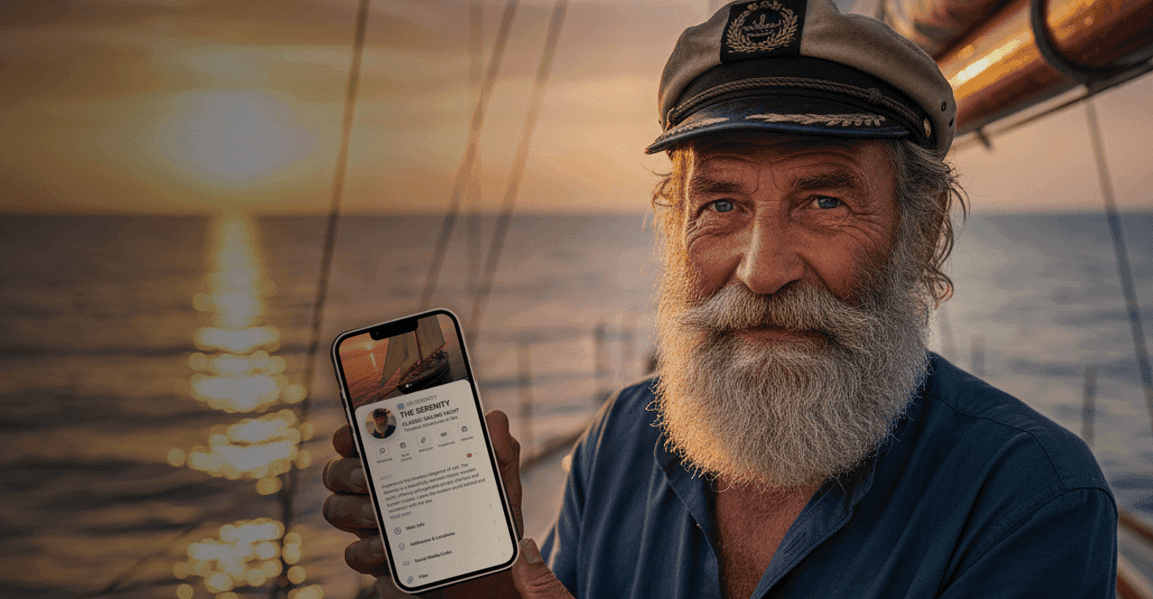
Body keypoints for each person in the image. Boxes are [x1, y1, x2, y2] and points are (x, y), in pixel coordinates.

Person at [323, 0, 1118, 596]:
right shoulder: (622, 441)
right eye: (722, 204)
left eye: (825, 202)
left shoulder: (1031, 497)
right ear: (675, 227)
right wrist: (481, 585)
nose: (761, 269)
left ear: (922, 230)